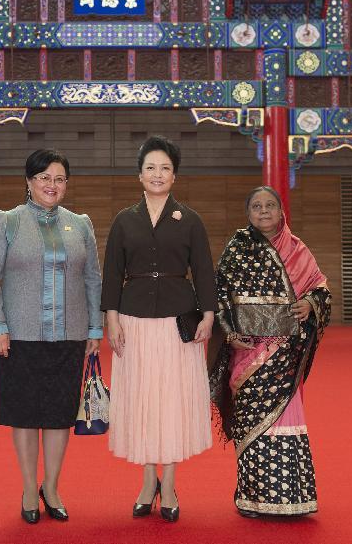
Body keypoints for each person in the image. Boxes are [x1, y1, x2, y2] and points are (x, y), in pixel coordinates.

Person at [0, 149, 102, 524]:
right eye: (44, 177)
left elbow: (92, 278)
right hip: (21, 336)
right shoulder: (8, 221)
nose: (52, 185)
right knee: (26, 414)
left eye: (60, 179)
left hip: (69, 335)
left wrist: (95, 328)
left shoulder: (80, 224)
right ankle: (29, 487)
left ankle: (52, 486)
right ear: (29, 181)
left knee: (58, 415)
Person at [101, 135, 215, 522]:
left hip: (177, 321)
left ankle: (169, 483)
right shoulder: (124, 220)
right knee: (141, 399)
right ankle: (146, 482)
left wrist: (210, 315)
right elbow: (112, 273)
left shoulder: (191, 220)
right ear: (139, 175)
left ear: (174, 176)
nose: (157, 174)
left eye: (165, 168)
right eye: (150, 167)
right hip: (133, 322)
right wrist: (111, 317)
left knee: (170, 400)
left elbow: (202, 270)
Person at [208, 186, 331, 518]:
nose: (264, 211)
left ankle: (292, 498)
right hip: (247, 353)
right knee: (252, 423)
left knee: (283, 421)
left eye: (270, 206)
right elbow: (220, 296)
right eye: (257, 206)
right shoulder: (237, 249)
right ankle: (253, 498)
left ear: (281, 212)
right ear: (248, 213)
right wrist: (229, 333)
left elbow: (320, 287)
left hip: (284, 353)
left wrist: (309, 303)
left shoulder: (298, 250)